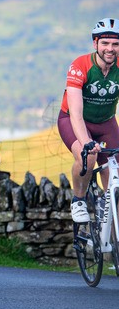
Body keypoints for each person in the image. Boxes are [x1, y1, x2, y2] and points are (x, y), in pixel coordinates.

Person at [59, 17, 119, 223]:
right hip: (74, 120)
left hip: (106, 123)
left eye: (115, 44)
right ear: (95, 44)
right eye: (105, 43)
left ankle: (109, 214)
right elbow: (76, 113)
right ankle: (78, 200)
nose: (110, 49)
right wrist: (86, 142)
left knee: (114, 171)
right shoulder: (80, 65)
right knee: (88, 157)